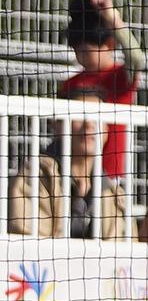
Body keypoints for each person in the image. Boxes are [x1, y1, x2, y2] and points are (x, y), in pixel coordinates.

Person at [8, 85, 129, 241]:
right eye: (80, 114)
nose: (89, 124)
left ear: (107, 129)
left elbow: (128, 252)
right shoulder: (35, 176)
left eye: (98, 116)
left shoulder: (115, 195)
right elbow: (29, 244)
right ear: (57, 124)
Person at [61, 0, 146, 182]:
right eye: (76, 50)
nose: (80, 56)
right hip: (74, 173)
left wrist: (114, 21)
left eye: (85, 50)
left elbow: (136, 58)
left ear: (109, 45)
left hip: (110, 175)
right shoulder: (70, 84)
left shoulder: (121, 77)